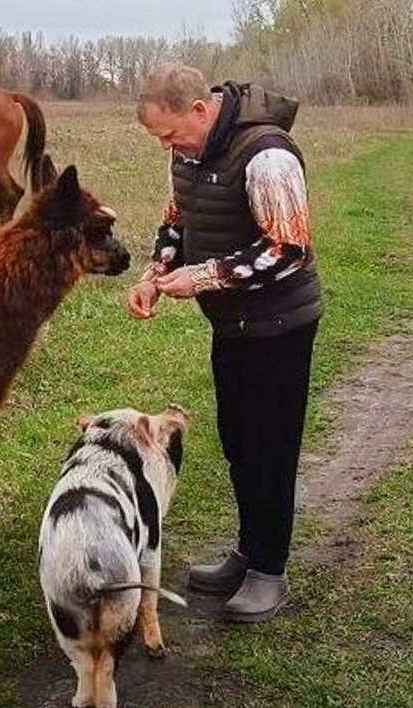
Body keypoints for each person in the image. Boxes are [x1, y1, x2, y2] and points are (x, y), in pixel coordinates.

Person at [126, 63, 322, 623]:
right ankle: (247, 551)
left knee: (271, 448)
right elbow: (175, 224)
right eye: (158, 138)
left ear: (199, 109)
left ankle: (269, 571)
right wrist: (154, 274)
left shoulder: (268, 156)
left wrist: (203, 277)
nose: (167, 145)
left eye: (169, 133)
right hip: (233, 325)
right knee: (238, 442)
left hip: (281, 324)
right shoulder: (187, 153)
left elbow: (287, 249)